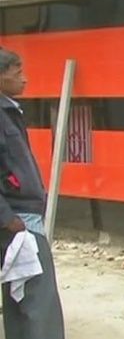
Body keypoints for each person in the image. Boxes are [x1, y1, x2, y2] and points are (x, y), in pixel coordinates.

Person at [0, 48, 65, 339]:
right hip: (18, 221)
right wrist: (7, 217)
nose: (24, 80)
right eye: (17, 74)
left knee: (20, 297)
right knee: (39, 300)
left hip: (20, 217)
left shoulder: (9, 111)